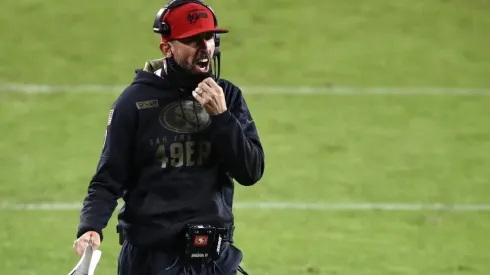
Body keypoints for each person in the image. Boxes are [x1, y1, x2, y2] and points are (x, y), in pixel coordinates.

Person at [71, 0, 265, 274]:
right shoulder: (134, 103)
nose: (204, 47)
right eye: (191, 39)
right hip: (152, 261)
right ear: (167, 48)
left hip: (213, 260)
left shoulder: (227, 97)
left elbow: (251, 171)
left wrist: (221, 118)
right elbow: (107, 179)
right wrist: (90, 227)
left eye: (209, 36)